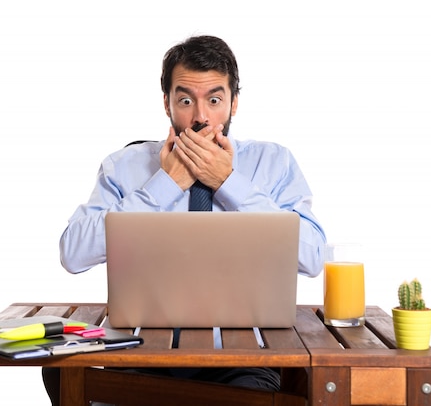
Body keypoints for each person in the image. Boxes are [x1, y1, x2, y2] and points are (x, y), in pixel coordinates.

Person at [44, 35, 326, 406]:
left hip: (242, 361)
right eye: (185, 100)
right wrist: (163, 185)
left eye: (214, 99)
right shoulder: (125, 166)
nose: (200, 117)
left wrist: (229, 183)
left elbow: (312, 256)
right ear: (167, 104)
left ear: (233, 103)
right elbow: (73, 253)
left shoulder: (273, 163)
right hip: (140, 354)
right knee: (58, 370)